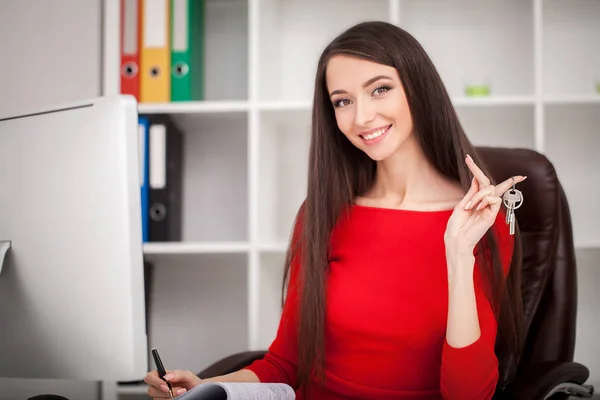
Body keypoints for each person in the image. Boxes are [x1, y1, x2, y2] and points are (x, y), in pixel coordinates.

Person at [144, 21, 526, 400]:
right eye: (343, 101)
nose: (361, 118)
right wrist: (208, 387)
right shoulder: (321, 215)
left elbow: (469, 395)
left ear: (418, 89)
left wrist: (459, 256)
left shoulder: (480, 219)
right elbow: (284, 366)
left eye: (380, 89)